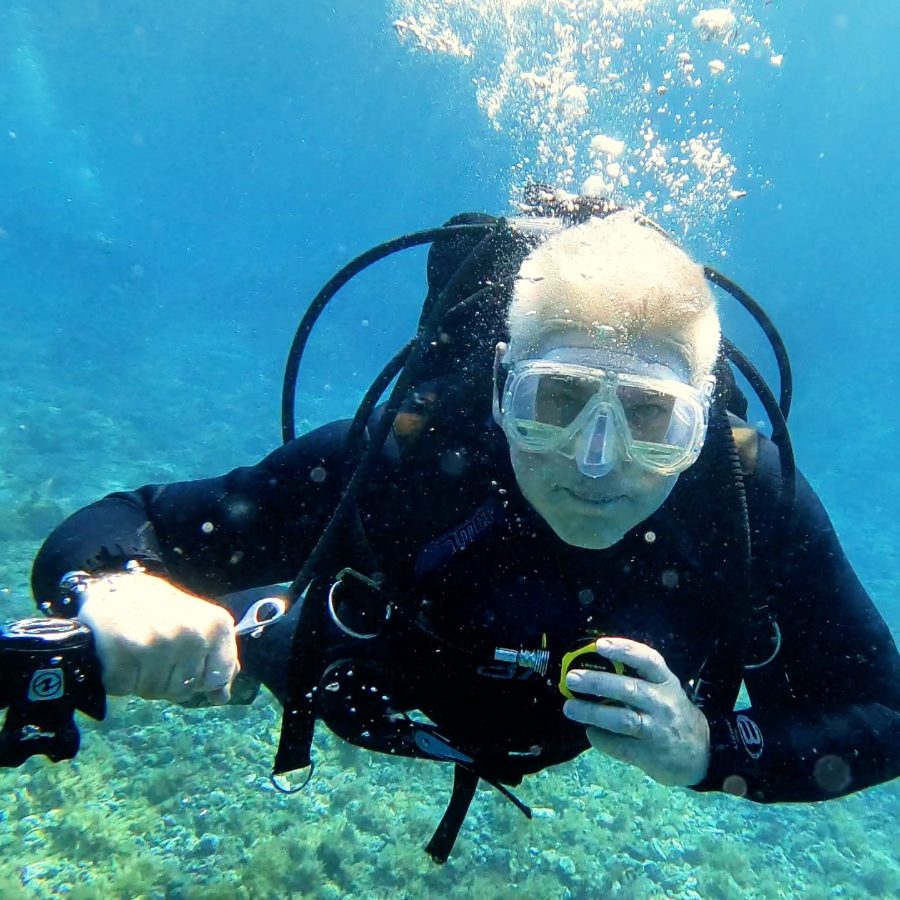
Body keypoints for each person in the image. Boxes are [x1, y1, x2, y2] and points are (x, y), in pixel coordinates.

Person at [31, 196, 900, 862]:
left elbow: (885, 716)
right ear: (499, 387)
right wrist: (114, 590)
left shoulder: (746, 501)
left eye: (650, 418)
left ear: (703, 419)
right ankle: (254, 632)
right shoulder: (407, 459)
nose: (595, 463)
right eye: (554, 402)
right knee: (250, 631)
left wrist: (711, 750)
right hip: (366, 686)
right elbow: (128, 520)